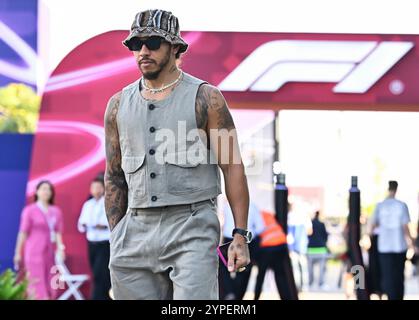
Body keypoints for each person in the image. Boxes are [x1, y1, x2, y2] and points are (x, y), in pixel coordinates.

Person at [104, 9, 251, 300]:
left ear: (174, 47)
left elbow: (233, 167)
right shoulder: (118, 105)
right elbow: (114, 176)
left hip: (192, 226)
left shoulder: (207, 98)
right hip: (134, 230)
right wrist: (117, 236)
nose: (143, 51)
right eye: (136, 44)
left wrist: (240, 235)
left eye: (153, 43)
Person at [14, 180, 65, 299]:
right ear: (36, 191)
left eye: (49, 189)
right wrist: (17, 252)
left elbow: (58, 232)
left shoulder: (56, 211)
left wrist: (60, 248)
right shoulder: (29, 210)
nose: (46, 192)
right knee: (36, 280)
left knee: (51, 279)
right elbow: (23, 233)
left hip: (50, 252)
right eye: (43, 189)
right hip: (34, 251)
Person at [370, 180, 414, 300]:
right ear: (396, 189)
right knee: (398, 275)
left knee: (387, 274)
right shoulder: (401, 205)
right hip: (399, 245)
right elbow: (406, 227)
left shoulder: (380, 206)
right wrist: (412, 243)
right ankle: (398, 296)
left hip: (384, 246)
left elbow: (372, 226)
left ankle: (389, 296)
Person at [219, 201, 265, 300]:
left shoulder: (227, 206)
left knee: (224, 269)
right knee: (244, 270)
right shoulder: (253, 206)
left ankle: (229, 293)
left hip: (228, 240)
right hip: (246, 241)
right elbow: (261, 228)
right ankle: (236, 296)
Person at [78, 177, 111, 300]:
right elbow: (81, 224)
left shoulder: (108, 202)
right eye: (94, 187)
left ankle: (98, 297)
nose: (96, 190)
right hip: (92, 244)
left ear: (103, 188)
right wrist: (91, 225)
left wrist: (96, 225)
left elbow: (107, 224)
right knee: (95, 272)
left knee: (100, 273)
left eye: (99, 187)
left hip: (104, 244)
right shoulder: (88, 204)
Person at [253, 210, 294, 300]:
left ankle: (256, 298)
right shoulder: (265, 214)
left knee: (261, 275)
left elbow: (255, 233)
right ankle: (286, 297)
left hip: (268, 247)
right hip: (282, 245)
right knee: (280, 274)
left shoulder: (253, 216)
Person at [287, 203, 312, 291]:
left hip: (293, 246)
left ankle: (297, 286)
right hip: (302, 244)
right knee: (303, 266)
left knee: (295, 267)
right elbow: (310, 231)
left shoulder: (289, 216)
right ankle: (305, 286)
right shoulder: (304, 216)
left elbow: (288, 234)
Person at [307, 210, 329, 289]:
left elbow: (307, 235)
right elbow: (326, 236)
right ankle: (321, 283)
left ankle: (310, 282)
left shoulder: (310, 224)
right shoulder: (322, 224)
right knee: (322, 268)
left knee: (310, 268)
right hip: (321, 249)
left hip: (311, 249)